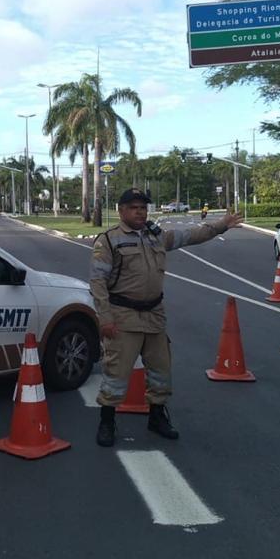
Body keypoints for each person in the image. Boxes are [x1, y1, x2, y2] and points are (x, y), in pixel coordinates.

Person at [90, 187, 243, 446]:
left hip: (154, 315)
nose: (140, 212)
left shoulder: (155, 236)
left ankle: (157, 417)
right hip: (124, 316)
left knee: (161, 371)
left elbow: (190, 235)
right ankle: (107, 421)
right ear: (121, 211)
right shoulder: (108, 240)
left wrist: (220, 226)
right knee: (116, 373)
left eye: (143, 207)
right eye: (134, 207)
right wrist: (105, 318)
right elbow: (98, 282)